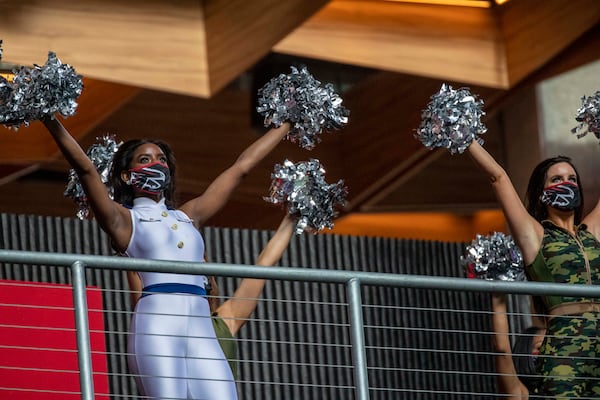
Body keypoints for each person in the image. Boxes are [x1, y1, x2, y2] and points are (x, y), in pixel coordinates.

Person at [41, 114, 291, 400]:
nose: (156, 164)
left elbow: (241, 168)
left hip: (202, 328)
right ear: (126, 175)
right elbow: (86, 170)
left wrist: (286, 126)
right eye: (145, 160)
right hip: (157, 327)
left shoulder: (189, 215)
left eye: (161, 159)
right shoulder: (124, 221)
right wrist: (49, 118)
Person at [466, 142, 600, 398]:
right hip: (564, 349)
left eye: (572, 178)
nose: (567, 183)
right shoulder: (536, 236)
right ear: (542, 191)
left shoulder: (592, 232)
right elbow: (498, 177)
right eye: (557, 179)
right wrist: (466, 136)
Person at [491, 293, 545, 399]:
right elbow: (502, 351)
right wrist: (498, 296)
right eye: (540, 348)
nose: (549, 351)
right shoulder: (521, 394)